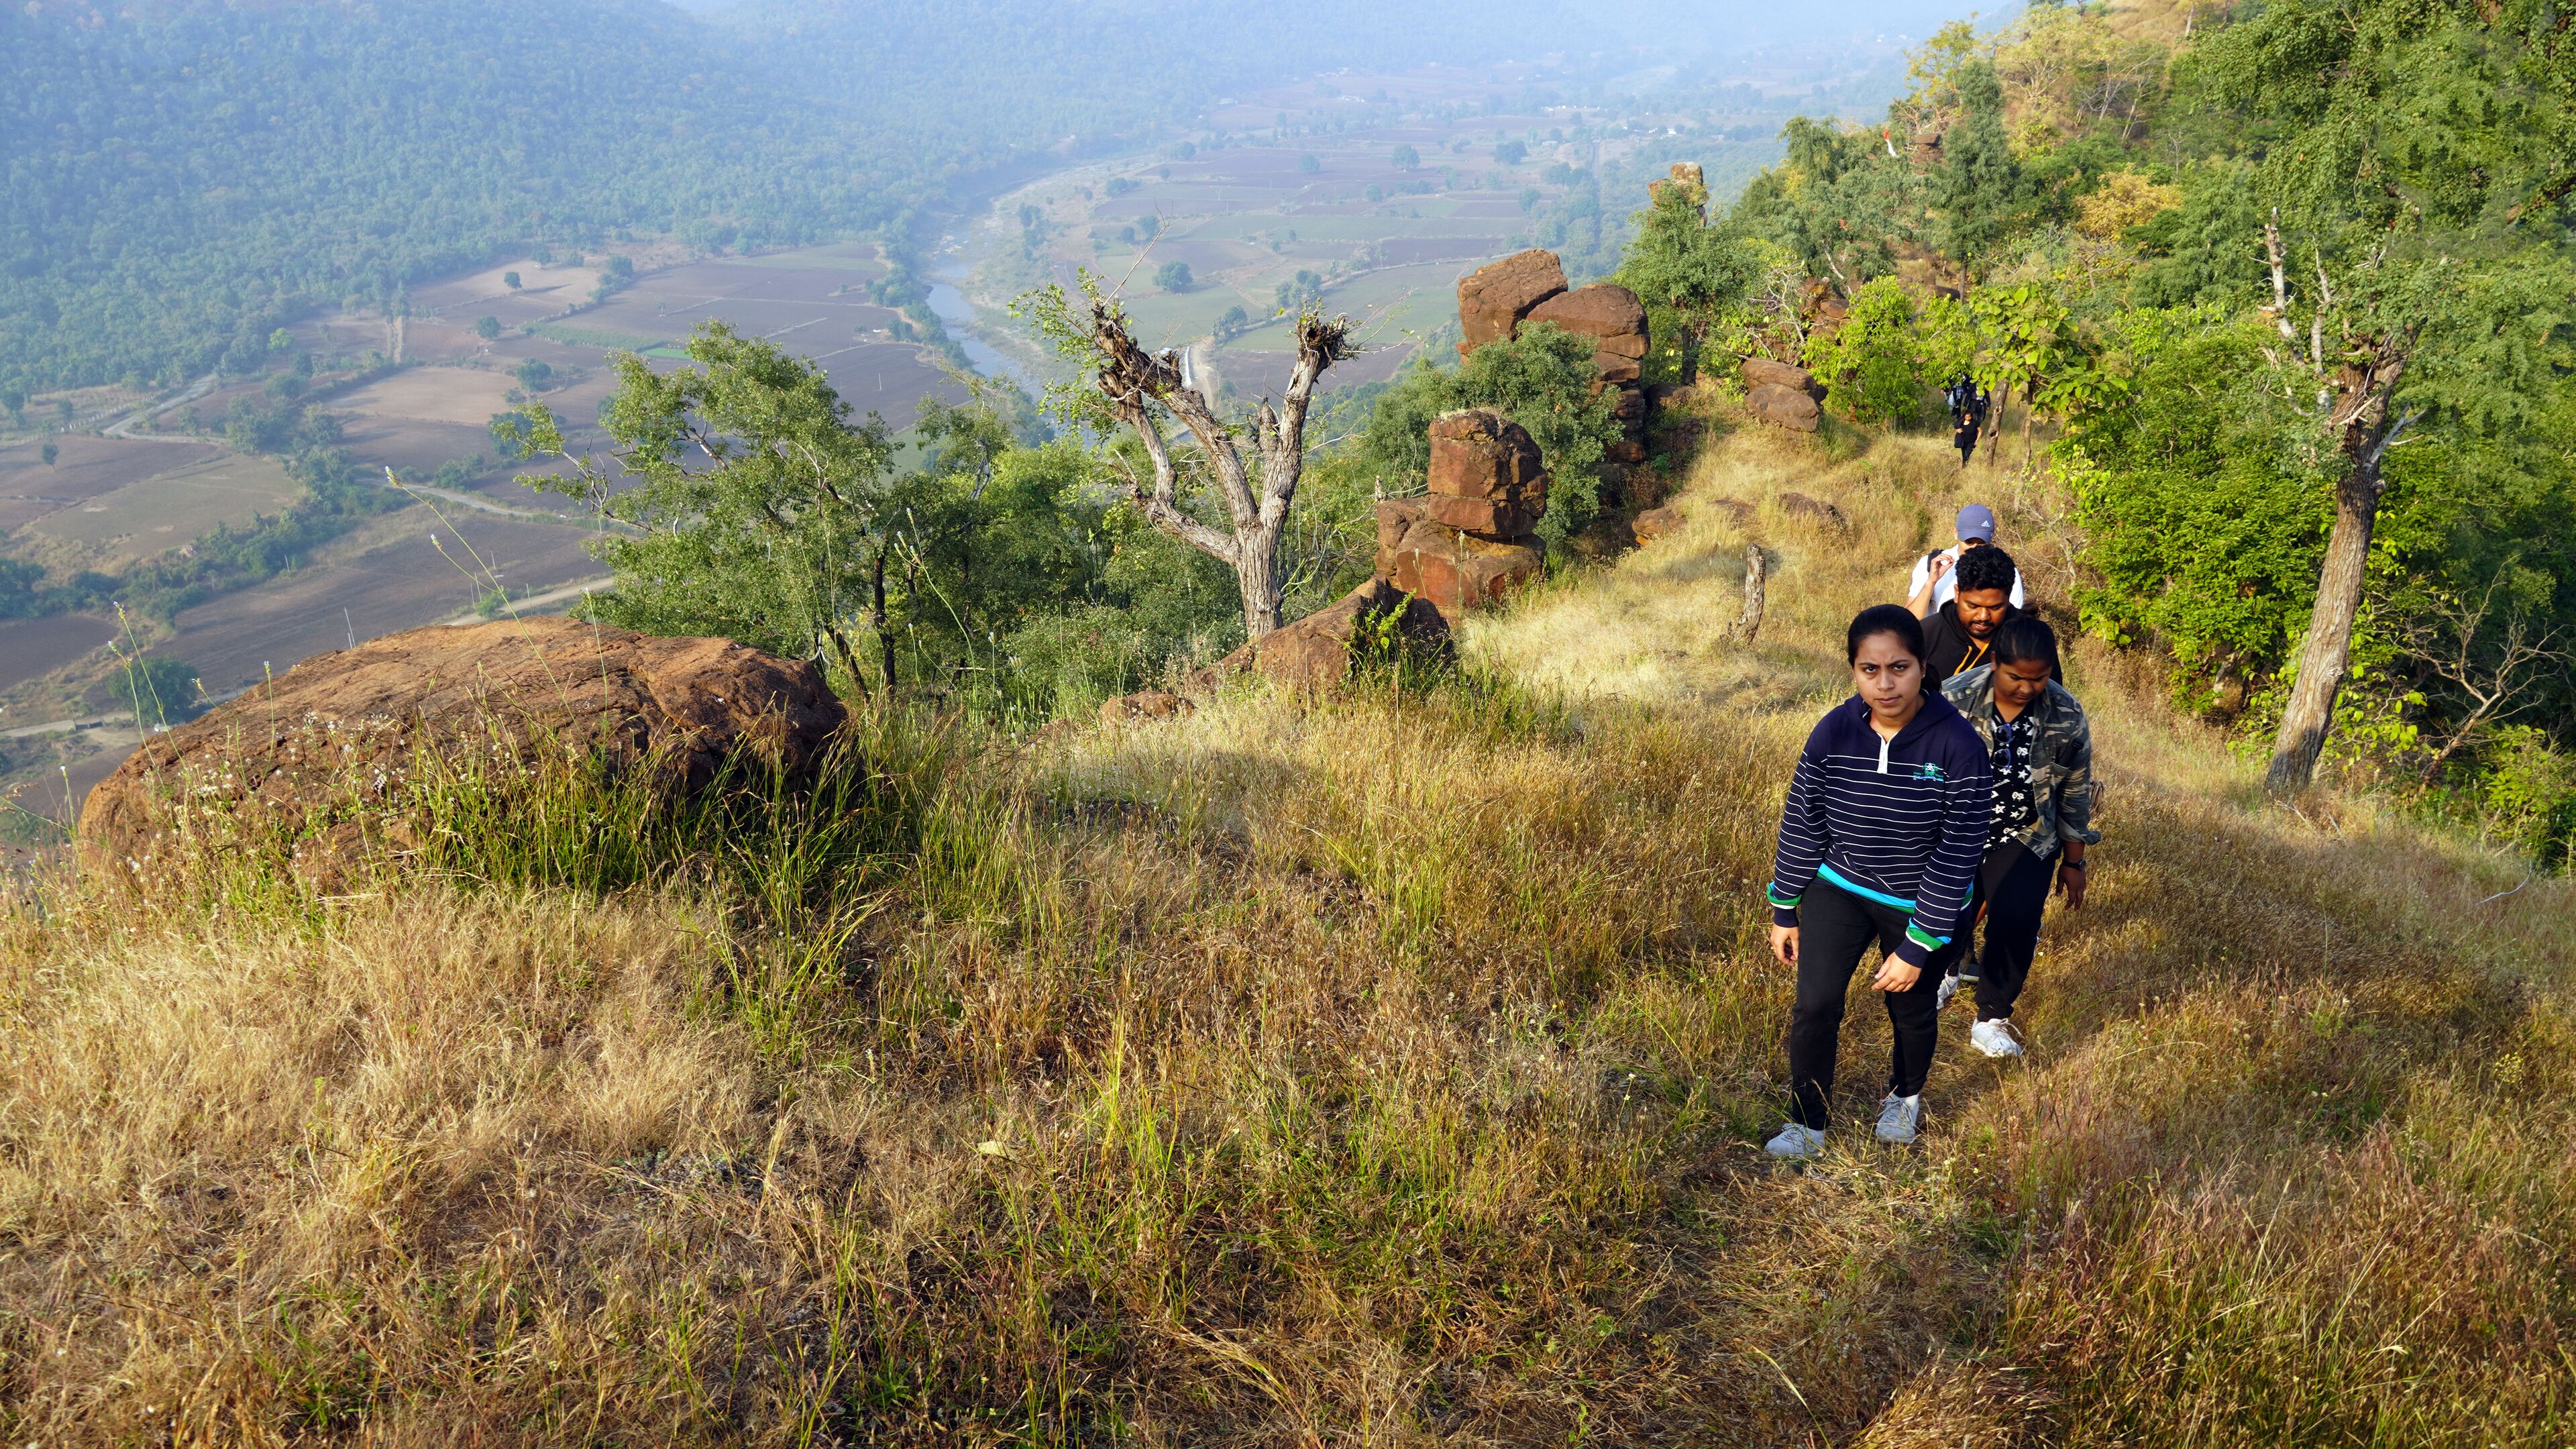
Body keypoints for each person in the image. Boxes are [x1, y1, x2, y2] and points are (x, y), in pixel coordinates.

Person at [1761, 604, 1994, 1160]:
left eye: (1900, 668)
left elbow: (1958, 854)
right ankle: (1807, 1124)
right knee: (1815, 1005)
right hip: (1840, 886)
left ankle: (1904, 1097)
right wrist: (1784, 905)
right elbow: (1804, 818)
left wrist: (1918, 945)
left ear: (1921, 667)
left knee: (1911, 1011)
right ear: (1853, 671)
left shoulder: (1959, 748)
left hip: (1920, 901)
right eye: (1871, 670)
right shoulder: (1834, 731)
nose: (1886, 684)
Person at [1937, 616, 2098, 1056]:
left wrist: (2074, 861)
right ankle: (1943, 973)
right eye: (2016, 677)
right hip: (1958, 825)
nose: (2027, 688)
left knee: (2017, 921)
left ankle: (1991, 1017)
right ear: (1995, 663)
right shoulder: (1954, 697)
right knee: (1949, 911)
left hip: (2028, 834)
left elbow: (2075, 791)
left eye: (2039, 678)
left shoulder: (2066, 712)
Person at [1921, 543, 2053, 685]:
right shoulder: (1924, 635)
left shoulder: (2033, 639)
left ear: (2008, 598)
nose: (1983, 616)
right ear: (1957, 593)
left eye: (1995, 607)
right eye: (1973, 606)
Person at [1908, 504, 2027, 616]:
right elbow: (1911, 621)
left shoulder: (2005, 571)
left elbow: (2012, 623)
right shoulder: (1931, 565)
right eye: (1969, 542)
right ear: (1955, 533)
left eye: (1981, 543)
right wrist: (1931, 582)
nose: (1974, 548)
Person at [1945, 376, 1988, 468]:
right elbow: (1968, 395)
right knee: (1964, 453)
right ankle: (1964, 465)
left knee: (1980, 418)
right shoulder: (1973, 385)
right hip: (1973, 403)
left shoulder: (1985, 385)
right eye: (1966, 417)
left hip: (1981, 404)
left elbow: (1987, 395)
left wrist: (1989, 403)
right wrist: (1965, 404)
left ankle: (1965, 464)